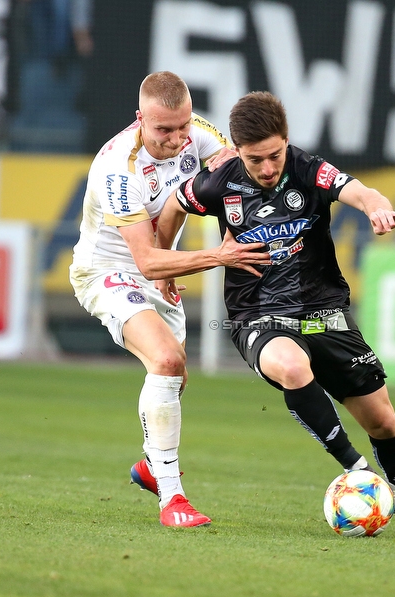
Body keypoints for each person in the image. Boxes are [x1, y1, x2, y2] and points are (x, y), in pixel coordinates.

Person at [156, 91, 395, 536]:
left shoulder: (310, 170)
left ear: (287, 141)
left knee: (383, 421)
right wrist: (167, 262)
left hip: (323, 312)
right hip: (257, 315)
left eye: (275, 155)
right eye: (256, 160)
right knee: (291, 366)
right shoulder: (219, 181)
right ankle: (357, 472)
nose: (268, 168)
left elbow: (359, 190)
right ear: (237, 151)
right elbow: (173, 206)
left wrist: (376, 209)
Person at [69, 72, 270, 528]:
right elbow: (145, 260)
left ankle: (149, 465)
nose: (179, 140)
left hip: (163, 270)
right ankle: (172, 498)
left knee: (176, 376)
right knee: (164, 360)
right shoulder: (119, 168)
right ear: (140, 120)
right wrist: (218, 255)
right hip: (110, 272)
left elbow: (229, 159)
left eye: (184, 127)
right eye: (165, 131)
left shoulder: (191, 131)